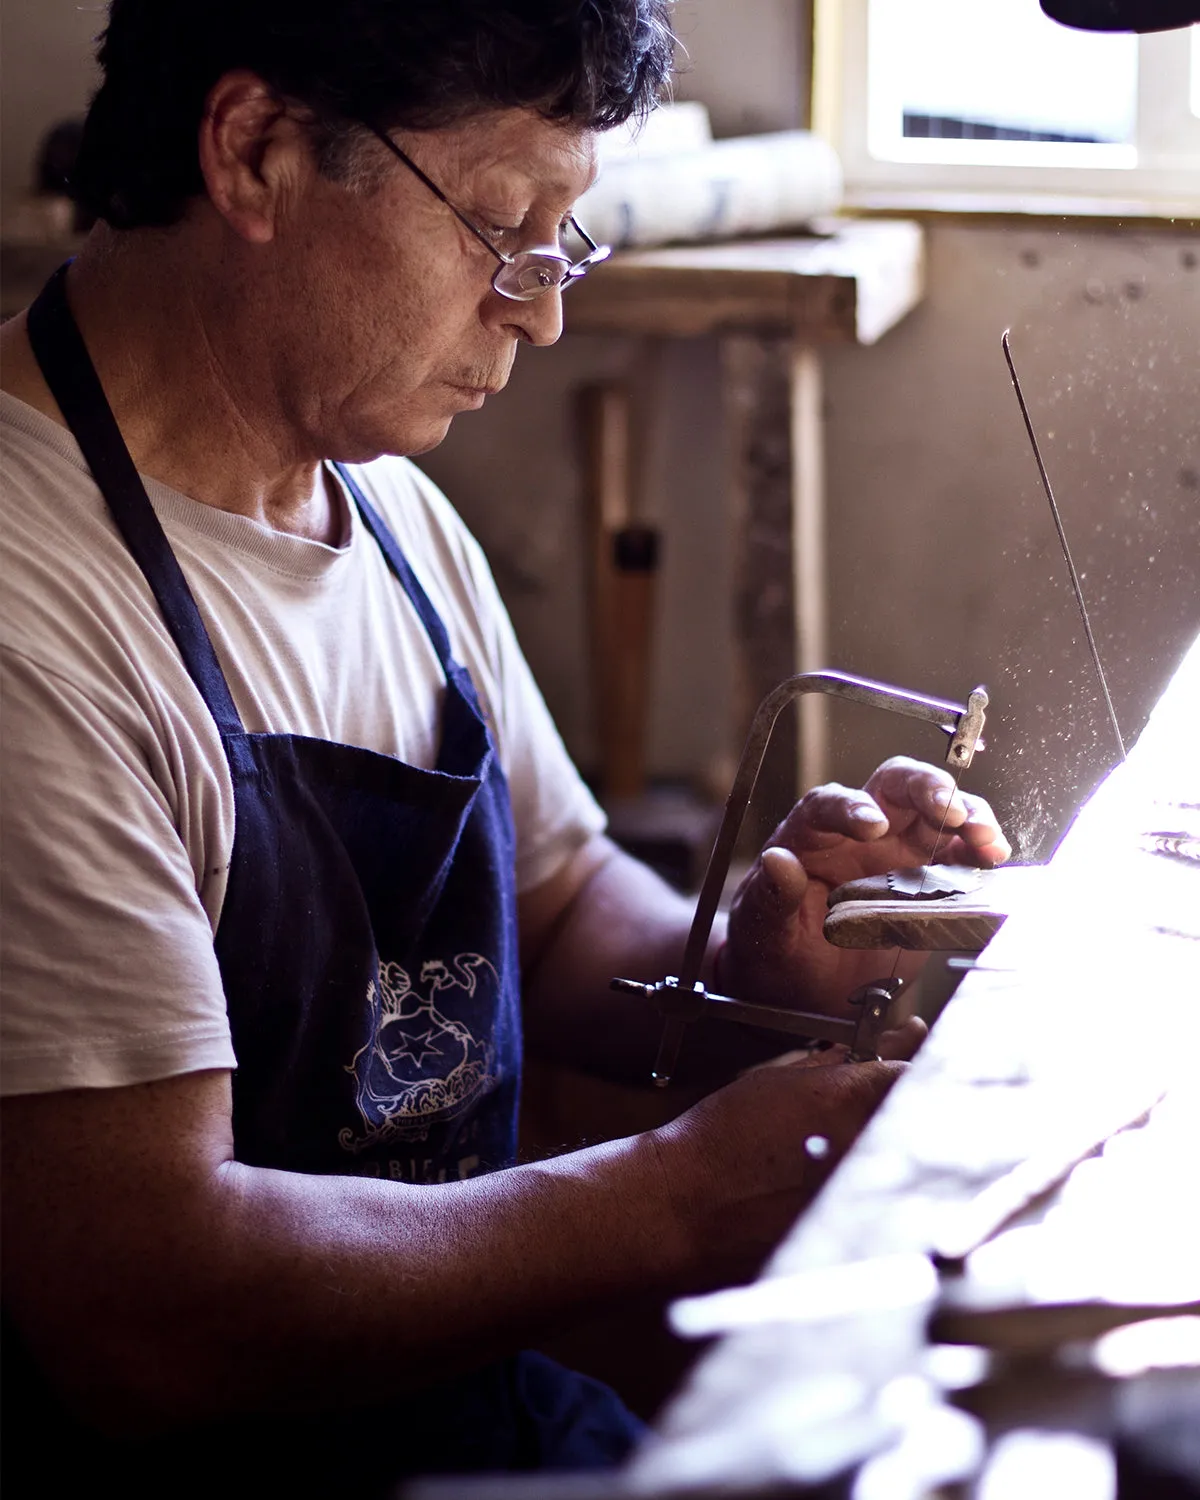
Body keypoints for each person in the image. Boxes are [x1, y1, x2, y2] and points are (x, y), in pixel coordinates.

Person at [0, 2, 1010, 1493]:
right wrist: (678, 1196)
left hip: (461, 1416)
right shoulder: (34, 602)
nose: (540, 309)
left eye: (565, 235)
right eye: (500, 222)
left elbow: (549, 906)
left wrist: (749, 972)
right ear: (258, 152)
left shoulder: (380, 501)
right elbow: (147, 1311)